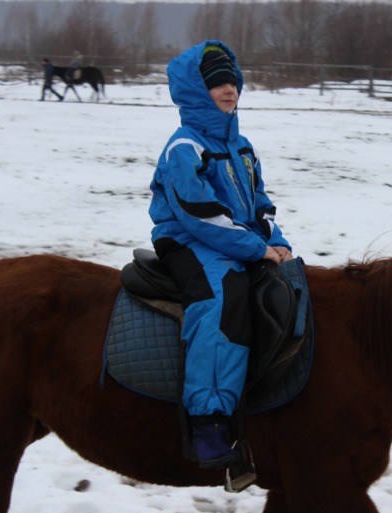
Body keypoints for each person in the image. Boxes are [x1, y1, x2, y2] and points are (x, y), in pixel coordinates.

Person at [148, 40, 292, 469]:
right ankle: (208, 422)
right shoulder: (184, 147)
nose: (228, 89)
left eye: (231, 81)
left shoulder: (242, 146)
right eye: (215, 83)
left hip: (236, 236)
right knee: (220, 299)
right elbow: (199, 213)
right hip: (189, 239)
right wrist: (254, 248)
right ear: (196, 90)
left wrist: (276, 239)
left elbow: (259, 202)